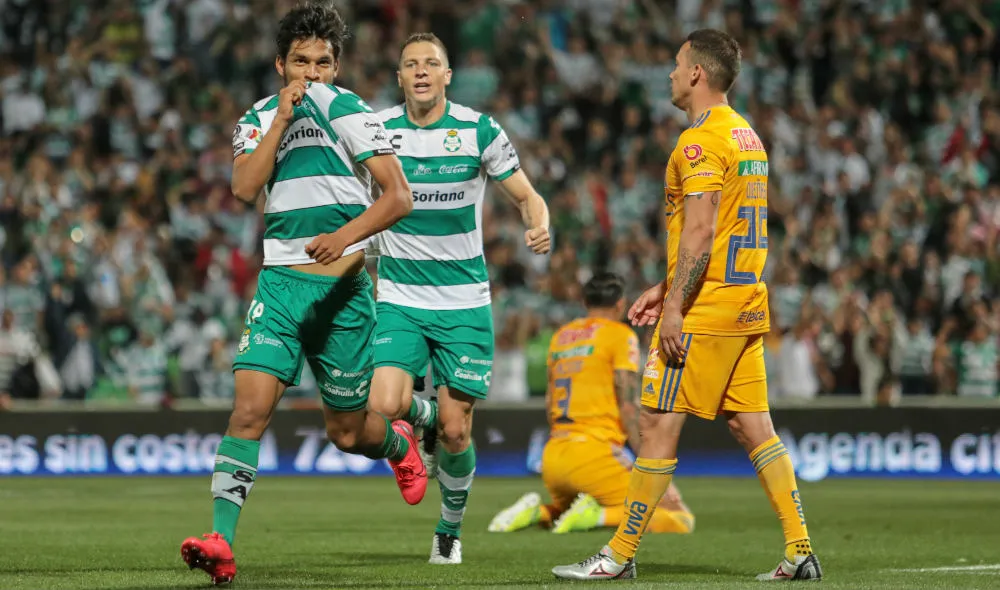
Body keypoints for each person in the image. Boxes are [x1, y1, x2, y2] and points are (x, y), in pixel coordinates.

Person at [552, 29, 822, 582]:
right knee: (754, 429)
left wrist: (675, 306)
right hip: (744, 301)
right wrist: (665, 284)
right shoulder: (747, 136)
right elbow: (718, 233)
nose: (671, 74)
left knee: (653, 423)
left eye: (677, 65)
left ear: (697, 73)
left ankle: (620, 556)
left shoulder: (697, 143)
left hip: (705, 310)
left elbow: (699, 231)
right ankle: (800, 550)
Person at [180, 4, 426, 585]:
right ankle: (221, 541)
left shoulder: (352, 111)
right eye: (300, 62)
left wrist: (341, 239)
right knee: (248, 412)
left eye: (322, 63)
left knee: (347, 433)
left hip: (342, 291)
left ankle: (397, 442)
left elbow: (398, 197)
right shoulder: (259, 117)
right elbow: (244, 187)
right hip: (281, 287)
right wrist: (281, 123)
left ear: (336, 67)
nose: (311, 74)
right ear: (279, 65)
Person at [367, 33, 551, 565]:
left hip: (464, 301)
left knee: (455, 428)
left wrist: (539, 224)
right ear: (399, 77)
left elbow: (527, 195)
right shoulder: (377, 132)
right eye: (410, 65)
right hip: (400, 294)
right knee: (382, 405)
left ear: (448, 75)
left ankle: (449, 528)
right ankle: (419, 416)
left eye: (431, 64)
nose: (421, 71)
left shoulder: (478, 129)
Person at [487, 272, 694, 535]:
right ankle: (597, 516)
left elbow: (550, 401)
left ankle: (536, 512)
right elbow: (628, 406)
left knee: (566, 512)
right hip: (596, 456)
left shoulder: (560, 337)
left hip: (553, 459)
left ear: (585, 303)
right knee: (676, 517)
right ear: (621, 304)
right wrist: (652, 467)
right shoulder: (620, 336)